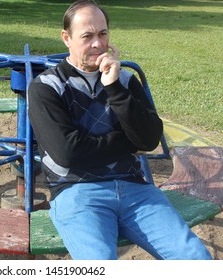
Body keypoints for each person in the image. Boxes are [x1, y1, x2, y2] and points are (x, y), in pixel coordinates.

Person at [27, 0, 212, 260]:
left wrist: (113, 88)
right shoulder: (46, 87)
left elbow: (148, 139)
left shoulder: (125, 80)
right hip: (78, 192)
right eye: (87, 36)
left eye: (103, 34)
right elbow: (67, 153)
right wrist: (128, 142)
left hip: (135, 190)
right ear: (66, 38)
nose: (97, 43)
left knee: (196, 259)